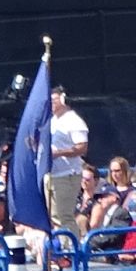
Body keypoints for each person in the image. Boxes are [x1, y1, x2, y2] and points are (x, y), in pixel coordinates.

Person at [47, 87, 90, 230]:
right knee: (53, 216)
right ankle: (60, 247)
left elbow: (82, 148)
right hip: (52, 174)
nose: (51, 102)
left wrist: (58, 153)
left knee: (64, 216)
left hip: (68, 174)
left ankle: (71, 248)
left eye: (54, 99)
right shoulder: (51, 120)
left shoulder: (74, 120)